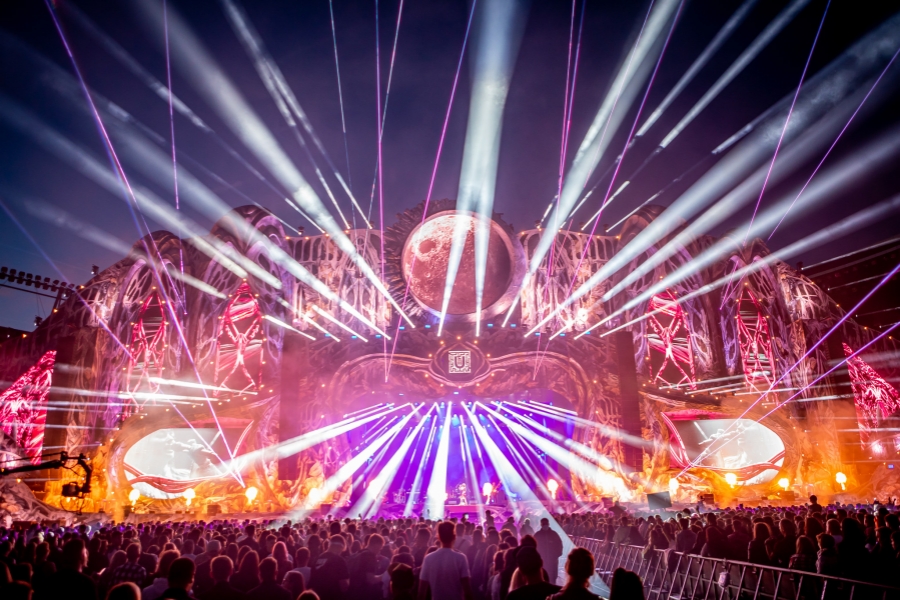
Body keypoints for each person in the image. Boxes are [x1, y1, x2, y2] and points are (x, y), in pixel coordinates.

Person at [418, 521, 474, 600]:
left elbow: (421, 592)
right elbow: (467, 590)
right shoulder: (461, 558)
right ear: (454, 537)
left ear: (438, 537)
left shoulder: (428, 558)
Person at [308, 535, 349, 600]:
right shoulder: (339, 560)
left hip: (317, 596)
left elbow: (312, 580)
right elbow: (344, 584)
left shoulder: (317, 559)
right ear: (340, 547)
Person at [348, 533, 385, 597]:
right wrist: (385, 576)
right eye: (380, 548)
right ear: (377, 545)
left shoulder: (359, 553)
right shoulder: (370, 556)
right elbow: (371, 580)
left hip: (352, 592)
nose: (379, 551)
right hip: (363, 593)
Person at [534, 518, 564, 586]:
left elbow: (559, 544)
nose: (545, 525)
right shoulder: (537, 535)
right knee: (542, 577)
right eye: (543, 523)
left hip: (553, 560)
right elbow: (534, 546)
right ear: (541, 524)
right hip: (542, 560)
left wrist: (557, 554)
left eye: (546, 523)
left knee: (553, 577)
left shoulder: (554, 534)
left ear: (548, 524)